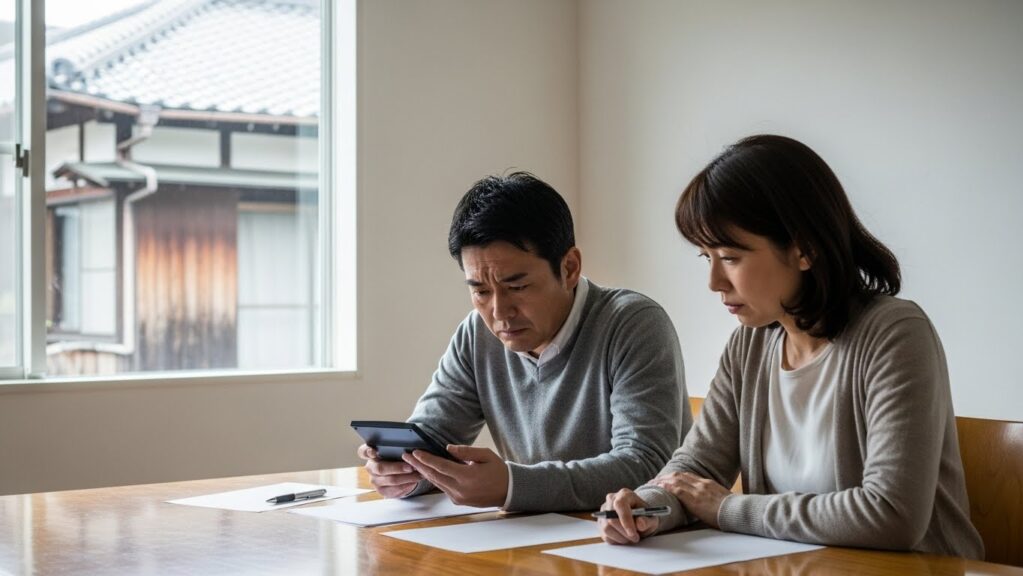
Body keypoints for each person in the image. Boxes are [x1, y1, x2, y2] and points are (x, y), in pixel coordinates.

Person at [598, 135, 984, 558]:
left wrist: (728, 509)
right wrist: (648, 505)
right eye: (705, 257)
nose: (714, 282)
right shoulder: (750, 344)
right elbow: (696, 469)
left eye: (729, 257)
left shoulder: (895, 333)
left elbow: (892, 514)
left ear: (805, 249)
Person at [357, 171, 692, 512]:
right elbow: (432, 438)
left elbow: (647, 466)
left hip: (636, 542)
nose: (500, 312)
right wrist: (406, 471)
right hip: (531, 538)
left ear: (570, 268)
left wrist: (514, 485)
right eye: (481, 291)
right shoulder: (476, 334)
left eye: (517, 287)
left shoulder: (633, 324)